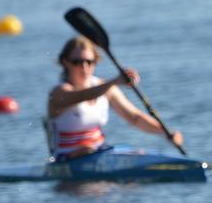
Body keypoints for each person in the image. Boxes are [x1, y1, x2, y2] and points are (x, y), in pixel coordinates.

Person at [46, 36, 184, 161]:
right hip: (67, 159)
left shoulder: (105, 88)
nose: (84, 67)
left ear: (95, 61)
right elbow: (82, 95)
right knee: (88, 150)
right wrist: (115, 82)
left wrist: (166, 133)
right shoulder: (59, 92)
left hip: (100, 153)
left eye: (89, 61)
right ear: (65, 62)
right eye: (77, 62)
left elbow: (135, 118)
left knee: (135, 156)